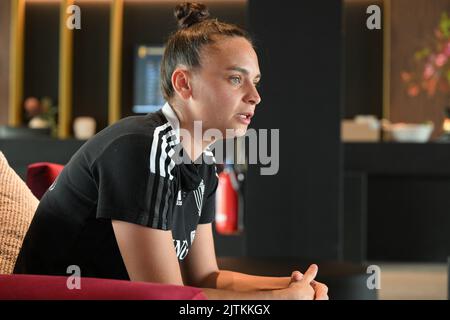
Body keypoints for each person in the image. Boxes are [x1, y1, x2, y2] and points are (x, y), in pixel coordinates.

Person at [14, 2, 328, 300]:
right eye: (236, 79)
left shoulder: (203, 161)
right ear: (184, 84)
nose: (255, 96)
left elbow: (204, 278)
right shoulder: (141, 147)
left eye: (255, 81)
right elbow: (167, 297)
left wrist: (293, 287)